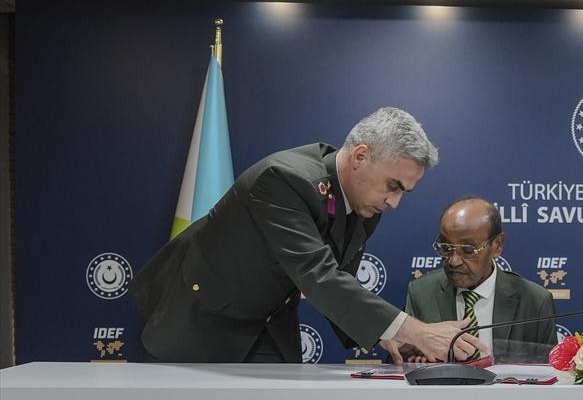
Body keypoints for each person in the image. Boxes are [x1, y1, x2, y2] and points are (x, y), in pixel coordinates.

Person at [130, 107, 485, 364]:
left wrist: (390, 336)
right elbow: (319, 277)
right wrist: (417, 331)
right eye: (393, 186)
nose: (394, 202)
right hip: (200, 322)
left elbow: (341, 281)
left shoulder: (366, 202)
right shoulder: (283, 179)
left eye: (404, 192)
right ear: (361, 156)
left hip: (267, 323)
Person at [404, 197, 557, 363]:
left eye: (468, 250)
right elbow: (399, 359)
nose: (453, 261)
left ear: (497, 245)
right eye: (446, 248)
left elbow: (549, 371)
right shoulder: (421, 293)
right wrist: (414, 361)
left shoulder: (534, 301)